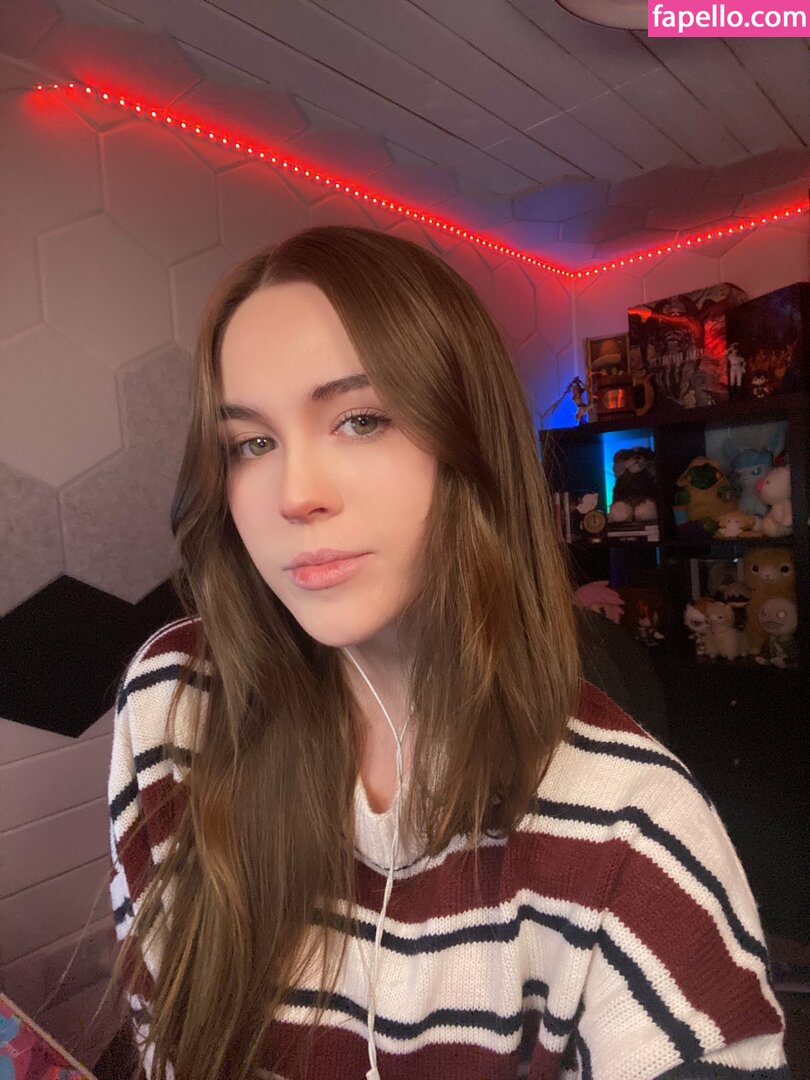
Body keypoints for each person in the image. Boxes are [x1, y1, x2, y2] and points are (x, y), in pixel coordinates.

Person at [105, 226, 788, 1080]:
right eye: (251, 443)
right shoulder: (174, 704)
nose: (294, 494)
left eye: (360, 420)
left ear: (470, 444)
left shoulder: (633, 830)